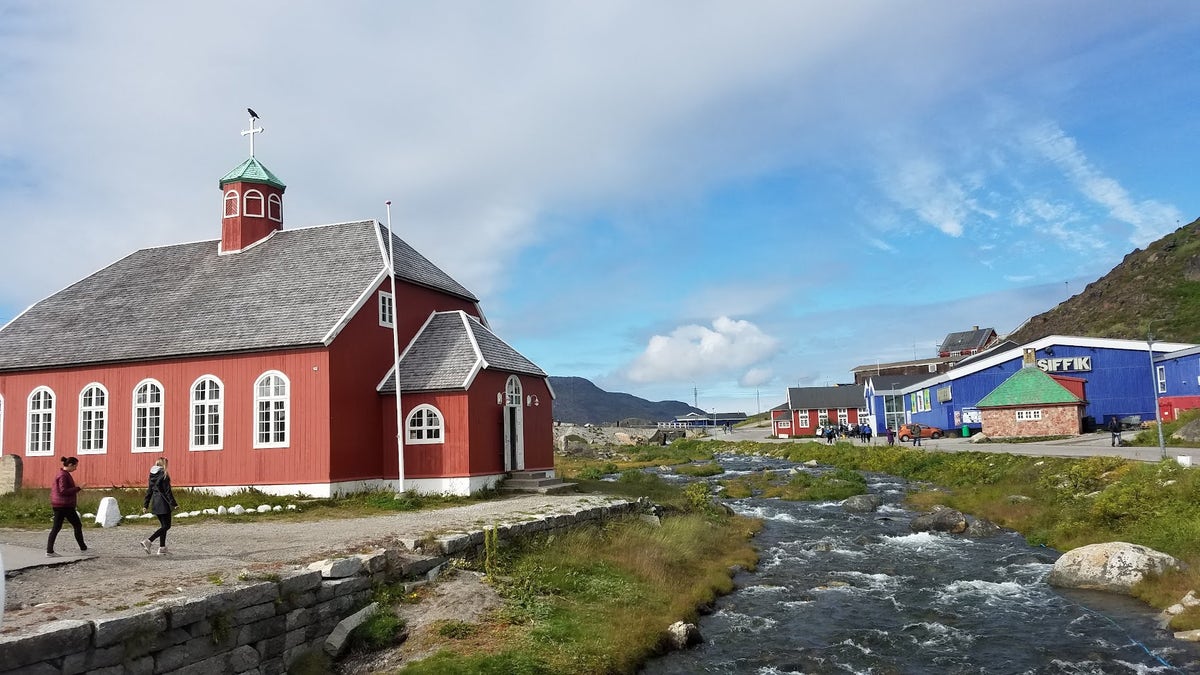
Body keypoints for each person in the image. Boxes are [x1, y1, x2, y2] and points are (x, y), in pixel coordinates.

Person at [47, 456, 87, 558]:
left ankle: (83, 547)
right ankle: (49, 551)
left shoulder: (63, 474)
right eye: (75, 466)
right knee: (75, 525)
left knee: (60, 527)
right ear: (70, 465)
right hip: (64, 505)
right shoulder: (63, 476)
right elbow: (63, 491)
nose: (76, 468)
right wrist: (78, 488)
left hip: (61, 505)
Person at [140, 457, 179, 555]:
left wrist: (146, 504)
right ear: (164, 464)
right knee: (167, 526)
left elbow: (149, 491)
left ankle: (162, 548)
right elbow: (167, 491)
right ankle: (149, 541)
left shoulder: (152, 476)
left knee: (163, 526)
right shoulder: (164, 475)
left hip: (155, 503)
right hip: (164, 503)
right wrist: (174, 504)